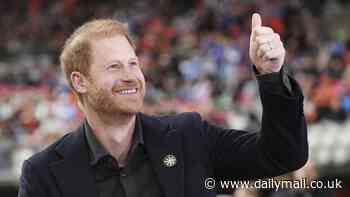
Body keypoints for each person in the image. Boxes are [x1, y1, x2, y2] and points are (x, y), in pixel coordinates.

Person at [18, 13, 308, 197]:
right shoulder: (44, 175)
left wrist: (271, 75)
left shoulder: (189, 137)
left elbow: (282, 156)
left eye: (133, 63)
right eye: (114, 67)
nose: (131, 76)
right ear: (80, 82)